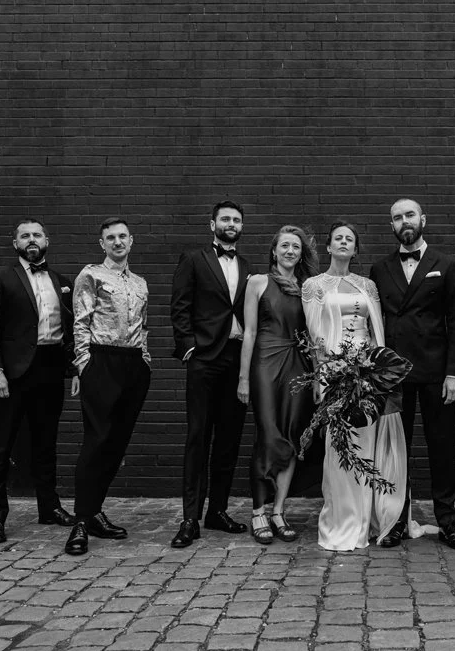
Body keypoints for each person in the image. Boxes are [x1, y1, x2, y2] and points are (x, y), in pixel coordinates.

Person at [370, 198, 455, 551]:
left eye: (409, 215)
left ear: (423, 219)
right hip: (394, 375)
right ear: (392, 226)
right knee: (397, 452)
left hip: (436, 373)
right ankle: (397, 520)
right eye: (397, 218)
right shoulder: (379, 269)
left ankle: (448, 521)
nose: (404, 221)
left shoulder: (447, 264)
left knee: (441, 448)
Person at [303, 222, 408, 551]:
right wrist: (322, 377)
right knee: (339, 449)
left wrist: (379, 372)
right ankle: (342, 521)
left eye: (350, 239)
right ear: (329, 247)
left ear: (356, 249)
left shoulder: (367, 286)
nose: (344, 243)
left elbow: (377, 332)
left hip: (368, 376)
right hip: (335, 374)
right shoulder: (314, 286)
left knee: (366, 447)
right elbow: (313, 336)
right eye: (338, 239)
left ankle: (367, 519)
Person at [0, 219, 80, 543]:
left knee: (46, 444)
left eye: (37, 235)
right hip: (12, 374)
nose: (31, 240)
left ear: (47, 240)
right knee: (0, 446)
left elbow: (69, 329)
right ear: (15, 243)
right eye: (25, 236)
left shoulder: (61, 280)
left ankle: (48, 507)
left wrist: (73, 369)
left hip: (50, 371)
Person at [64, 218, 151, 555]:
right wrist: (84, 362)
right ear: (102, 244)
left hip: (132, 364)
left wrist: (144, 359)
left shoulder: (141, 283)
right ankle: (81, 522)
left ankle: (95, 510)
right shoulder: (91, 275)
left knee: (116, 443)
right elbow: (80, 322)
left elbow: (143, 325)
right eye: (110, 238)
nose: (117, 242)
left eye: (122, 237)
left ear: (131, 240)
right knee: (96, 440)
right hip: (100, 362)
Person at [170, 200, 251, 547]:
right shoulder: (194, 259)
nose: (230, 224)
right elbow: (180, 305)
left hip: (237, 359)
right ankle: (190, 518)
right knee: (198, 437)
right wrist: (189, 346)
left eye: (236, 220)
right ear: (212, 224)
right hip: (204, 358)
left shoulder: (248, 267)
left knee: (229, 438)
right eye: (225, 219)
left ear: (241, 226)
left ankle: (216, 511)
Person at [237, 225, 320, 544]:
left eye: (295, 247)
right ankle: (258, 511)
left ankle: (278, 511)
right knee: (269, 435)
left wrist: (316, 376)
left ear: (301, 254)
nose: (289, 251)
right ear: (274, 251)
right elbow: (250, 333)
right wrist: (244, 377)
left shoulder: (308, 288)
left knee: (291, 437)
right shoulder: (258, 282)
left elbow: (312, 337)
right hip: (264, 365)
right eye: (284, 245)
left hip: (298, 368)